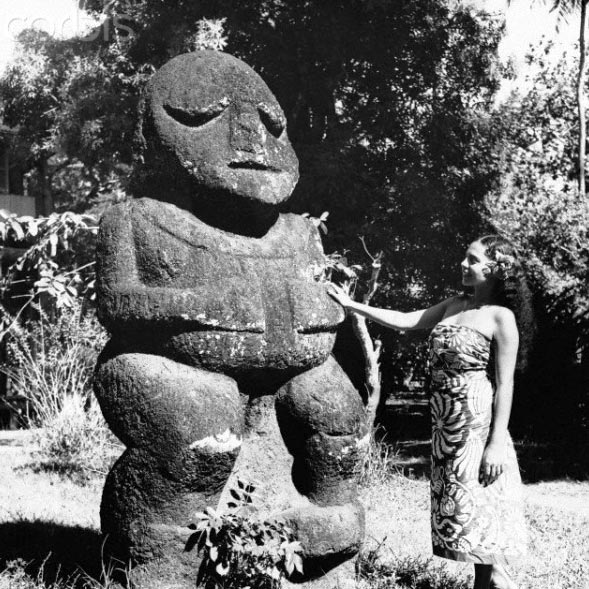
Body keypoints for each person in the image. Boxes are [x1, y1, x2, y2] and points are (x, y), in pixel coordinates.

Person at [328, 234, 531, 589]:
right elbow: (407, 320)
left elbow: (506, 385)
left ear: (496, 269)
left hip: (476, 427)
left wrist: (496, 443)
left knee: (480, 507)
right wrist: (352, 305)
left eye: (473, 260)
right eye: (465, 258)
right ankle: (493, 579)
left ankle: (494, 580)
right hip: (444, 426)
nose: (464, 265)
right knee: (464, 513)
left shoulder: (502, 317)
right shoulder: (455, 304)